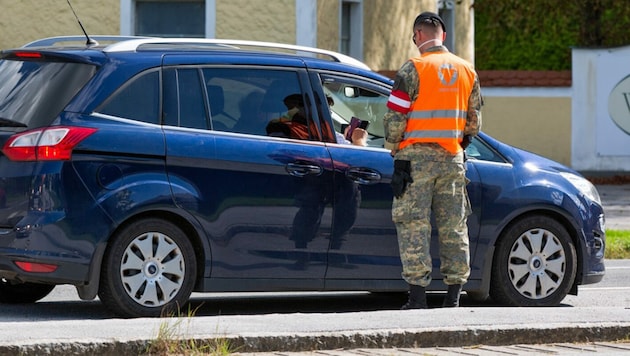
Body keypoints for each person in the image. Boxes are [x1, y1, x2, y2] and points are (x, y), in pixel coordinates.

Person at [383, 11, 482, 309]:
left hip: (414, 159)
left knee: (414, 224)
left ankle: (417, 299)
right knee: (454, 226)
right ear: (444, 36)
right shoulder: (467, 70)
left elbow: (395, 117)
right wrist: (456, 146)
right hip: (452, 158)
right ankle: (453, 297)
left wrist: (394, 147)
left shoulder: (413, 68)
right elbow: (474, 123)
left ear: (418, 36)